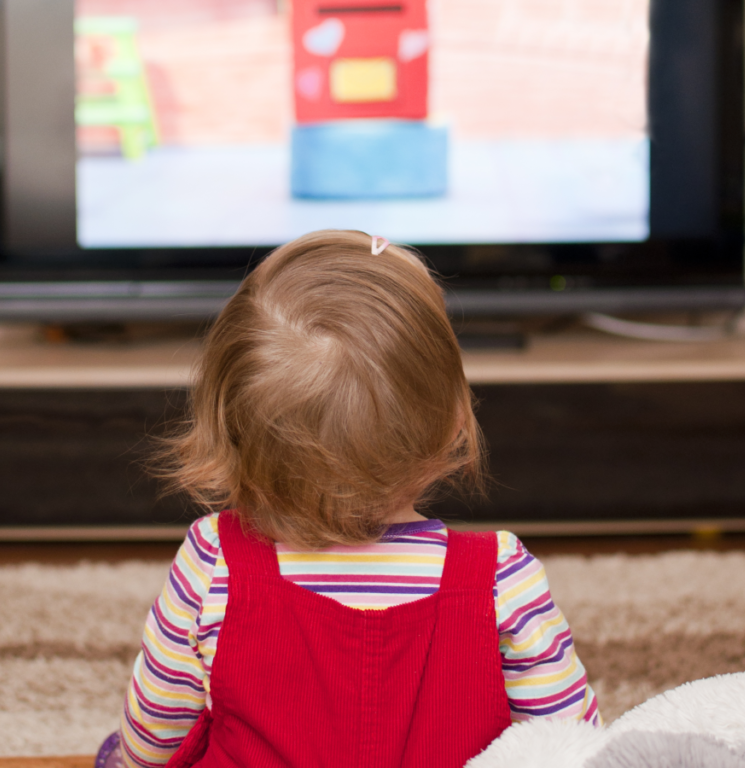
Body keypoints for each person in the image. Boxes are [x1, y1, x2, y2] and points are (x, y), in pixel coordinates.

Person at [97, 230, 599, 768]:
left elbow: (153, 739)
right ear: (455, 417)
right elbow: (572, 747)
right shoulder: (502, 576)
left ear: (226, 422)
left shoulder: (213, 559)